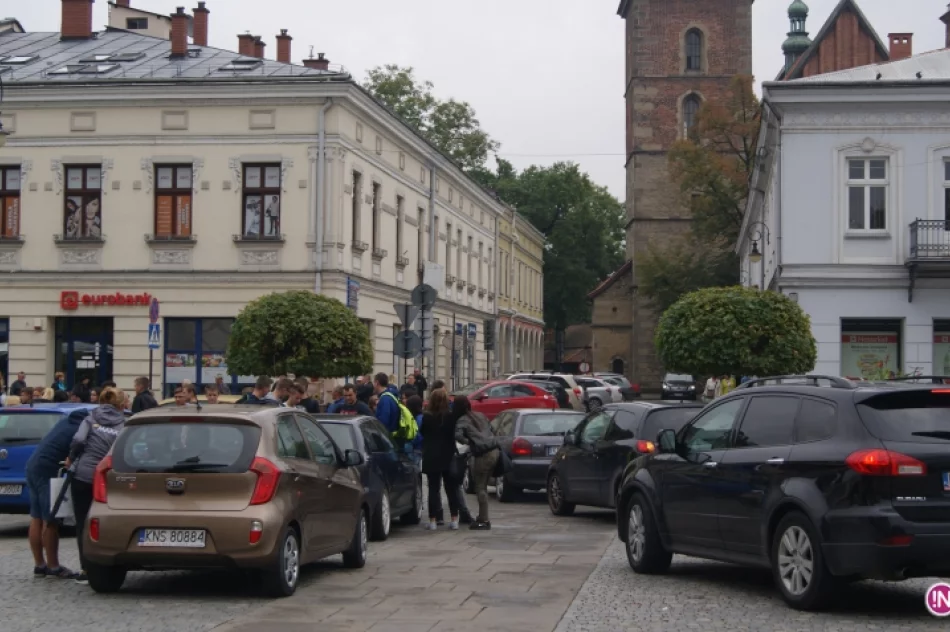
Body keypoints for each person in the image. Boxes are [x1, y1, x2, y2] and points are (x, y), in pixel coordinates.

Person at [68, 387, 127, 583]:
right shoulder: (124, 423)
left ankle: (86, 569)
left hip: (83, 475)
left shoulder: (91, 417)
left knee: (82, 522)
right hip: (107, 477)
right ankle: (107, 562)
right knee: (105, 521)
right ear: (121, 404)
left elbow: (78, 439)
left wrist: (72, 458)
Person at [24, 408, 86, 579]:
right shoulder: (80, 429)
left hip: (33, 466)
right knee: (51, 519)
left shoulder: (65, 423)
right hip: (48, 470)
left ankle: (39, 565)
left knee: (36, 517)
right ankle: (53, 566)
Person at [453, 394, 499, 531]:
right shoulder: (480, 415)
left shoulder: (462, 420)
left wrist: (470, 443)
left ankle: (484, 520)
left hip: (482, 454)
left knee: (480, 487)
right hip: (495, 451)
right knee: (483, 485)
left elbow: (458, 435)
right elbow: (492, 429)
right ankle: (482, 516)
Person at [421, 389, 460, 531]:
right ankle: (454, 519)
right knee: (451, 489)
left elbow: (423, 433)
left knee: (433, 489)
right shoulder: (451, 416)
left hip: (431, 455)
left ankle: (433, 521)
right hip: (448, 454)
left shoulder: (427, 416)